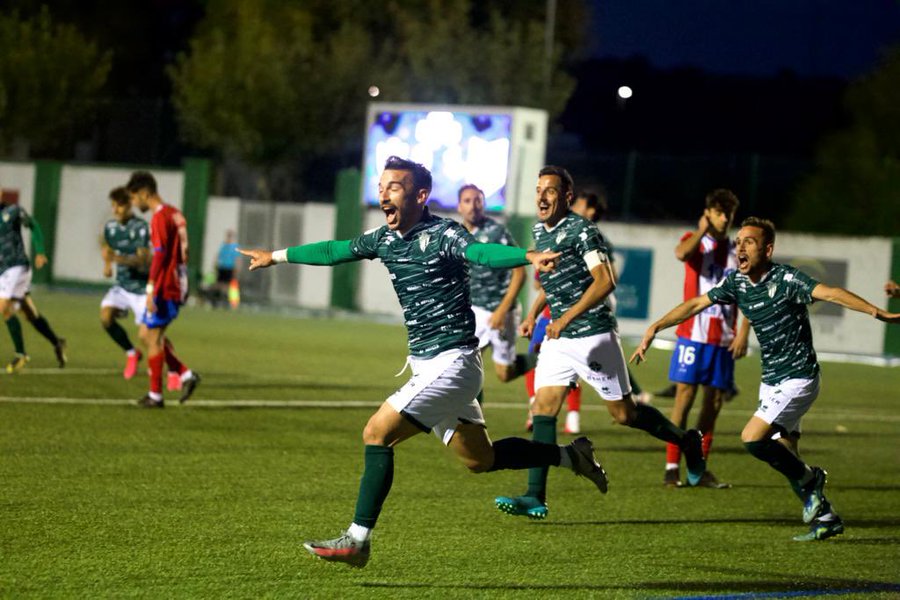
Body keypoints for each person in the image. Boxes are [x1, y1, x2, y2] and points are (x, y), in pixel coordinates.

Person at [238, 156, 609, 568]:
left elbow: (483, 253)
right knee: (479, 460)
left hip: (454, 363)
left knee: (377, 432)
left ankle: (358, 540)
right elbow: (334, 250)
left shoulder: (444, 234)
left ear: (420, 195)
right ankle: (569, 456)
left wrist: (527, 256)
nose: (384, 193)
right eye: (381, 186)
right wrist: (276, 255)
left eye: (394, 186)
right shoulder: (384, 238)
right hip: (426, 365)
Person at [631, 216, 900, 541]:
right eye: (739, 241)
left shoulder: (786, 278)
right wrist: (654, 327)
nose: (740, 246)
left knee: (753, 438)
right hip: (772, 379)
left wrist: (876, 312)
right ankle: (826, 517)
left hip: (799, 378)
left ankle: (813, 479)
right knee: (787, 454)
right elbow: (696, 303)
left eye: (750, 242)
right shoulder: (738, 282)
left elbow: (830, 293)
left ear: (768, 249)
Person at [494, 166, 706, 521]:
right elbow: (552, 282)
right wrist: (534, 314)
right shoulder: (538, 231)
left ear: (566, 197)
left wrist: (565, 318)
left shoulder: (582, 230)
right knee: (543, 409)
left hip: (593, 333)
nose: (542, 197)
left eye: (550, 191)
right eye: (538, 190)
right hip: (559, 339)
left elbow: (604, 281)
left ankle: (686, 441)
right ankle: (535, 496)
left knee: (624, 414)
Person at [662, 189, 750, 489]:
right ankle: (671, 467)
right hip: (692, 336)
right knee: (684, 398)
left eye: (729, 214)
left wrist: (743, 332)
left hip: (723, 339)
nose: (725, 219)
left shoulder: (738, 250)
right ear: (708, 212)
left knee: (713, 404)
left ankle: (698, 470)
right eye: (719, 212)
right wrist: (701, 230)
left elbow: (748, 292)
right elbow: (680, 254)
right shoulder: (696, 241)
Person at [126, 171, 201, 407]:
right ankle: (186, 375)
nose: (134, 204)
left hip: (167, 284)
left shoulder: (159, 217)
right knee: (146, 335)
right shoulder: (174, 212)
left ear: (144, 193)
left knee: (153, 337)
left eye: (134, 198)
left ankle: (156, 396)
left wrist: (150, 288)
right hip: (177, 279)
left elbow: (159, 255)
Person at [456, 184, 531, 400]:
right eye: (468, 201)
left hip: (501, 309)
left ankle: (539, 358)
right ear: (460, 206)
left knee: (504, 374)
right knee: (466, 365)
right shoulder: (457, 234)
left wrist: (501, 310)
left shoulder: (496, 232)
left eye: (478, 200)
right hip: (474, 311)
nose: (473, 206)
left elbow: (520, 273)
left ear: (484, 204)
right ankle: (473, 421)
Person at [0, 185, 66, 373]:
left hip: (17, 265)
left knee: (3, 306)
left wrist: (40, 252)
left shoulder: (12, 211)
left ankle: (21, 354)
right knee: (29, 313)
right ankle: (57, 342)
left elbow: (34, 225)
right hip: (3, 271)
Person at [101, 186, 151, 379]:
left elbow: (144, 260)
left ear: (130, 205)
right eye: (113, 205)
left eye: (119, 206)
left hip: (141, 289)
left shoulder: (140, 227)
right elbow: (108, 249)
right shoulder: (111, 228)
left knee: (149, 337)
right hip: (122, 286)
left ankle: (175, 369)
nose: (115, 210)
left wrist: (117, 259)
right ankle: (131, 353)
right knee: (105, 318)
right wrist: (107, 265)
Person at [214, 230, 240, 308]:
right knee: (219, 284)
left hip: (230, 267)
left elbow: (237, 258)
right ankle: (217, 300)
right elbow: (218, 255)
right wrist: (215, 264)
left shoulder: (235, 246)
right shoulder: (223, 245)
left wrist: (237, 268)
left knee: (228, 285)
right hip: (222, 267)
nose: (229, 237)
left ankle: (226, 302)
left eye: (230, 235)